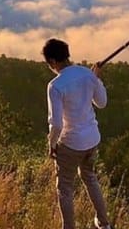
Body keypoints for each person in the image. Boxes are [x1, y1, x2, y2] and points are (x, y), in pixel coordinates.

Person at [43, 38, 113, 229]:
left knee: (64, 188)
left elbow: (56, 123)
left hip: (71, 143)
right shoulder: (87, 74)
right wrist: (96, 79)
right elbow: (102, 102)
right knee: (90, 178)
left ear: (53, 62)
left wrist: (52, 144)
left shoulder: (55, 86)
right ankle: (104, 223)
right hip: (91, 139)